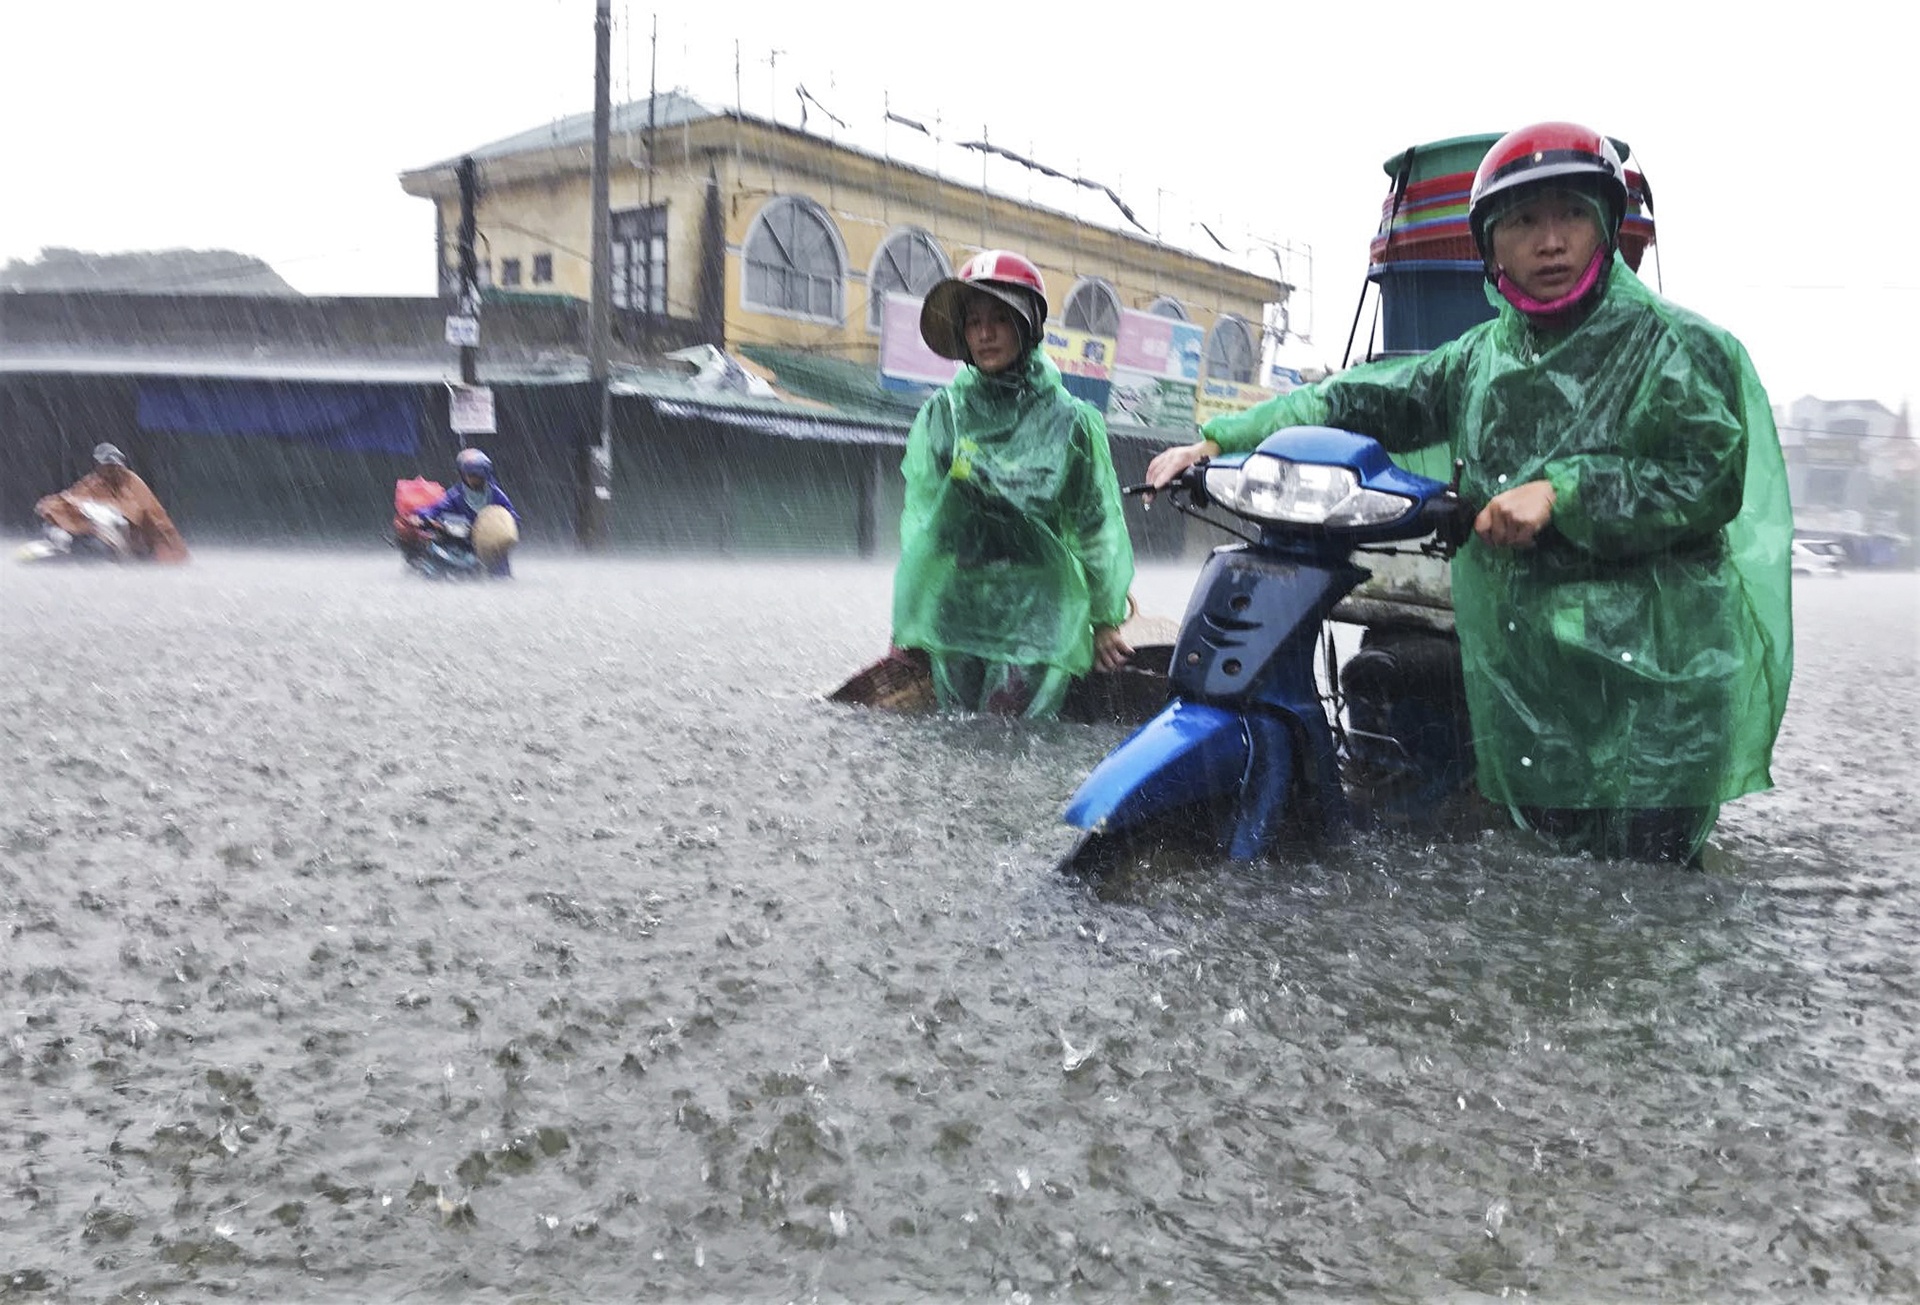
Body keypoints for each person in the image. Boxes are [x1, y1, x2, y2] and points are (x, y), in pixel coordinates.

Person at [1144, 122, 1793, 864]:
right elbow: (1362, 396)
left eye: (1572, 214)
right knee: (1547, 886)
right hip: (1533, 677)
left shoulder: (1679, 347)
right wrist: (1224, 437)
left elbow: (1704, 480)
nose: (1551, 242)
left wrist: (1565, 493)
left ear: (1607, 227)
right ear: (1491, 246)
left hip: (1655, 691)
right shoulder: (1479, 358)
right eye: (1523, 222)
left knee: (1645, 895)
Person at [891, 249, 1137, 718]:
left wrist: (1106, 622)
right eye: (973, 322)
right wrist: (912, 612)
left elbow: (1095, 526)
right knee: (954, 742)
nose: (984, 334)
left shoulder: (1072, 422)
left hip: (1038, 609)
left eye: (999, 319)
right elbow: (922, 522)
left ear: (1027, 325)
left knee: (1010, 740)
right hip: (958, 604)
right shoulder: (942, 416)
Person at [34, 442, 190, 563]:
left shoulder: (132, 483)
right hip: (100, 536)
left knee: (99, 544)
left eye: (114, 465)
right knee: (59, 526)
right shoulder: (94, 482)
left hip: (128, 542)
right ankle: (66, 546)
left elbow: (150, 516)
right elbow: (72, 499)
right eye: (106, 465)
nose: (111, 469)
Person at [409, 447, 520, 576]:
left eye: (477, 475)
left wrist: (505, 528)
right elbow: (436, 508)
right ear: (463, 475)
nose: (473, 479)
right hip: (461, 538)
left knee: (500, 573)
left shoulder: (495, 495)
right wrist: (421, 516)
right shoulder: (456, 494)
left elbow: (511, 516)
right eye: (469, 475)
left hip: (488, 544)